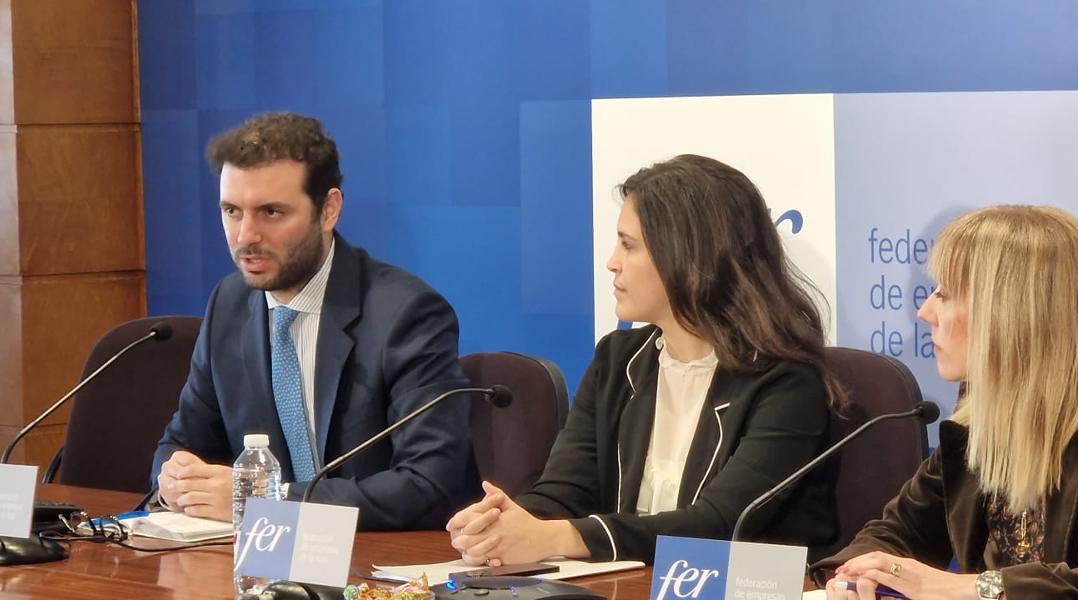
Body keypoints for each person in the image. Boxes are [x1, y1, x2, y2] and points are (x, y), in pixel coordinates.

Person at [447, 155, 843, 566]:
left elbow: (718, 526)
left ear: (691, 259)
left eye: (629, 245)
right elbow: (565, 492)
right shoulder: (618, 359)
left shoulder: (785, 381)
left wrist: (557, 537)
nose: (612, 261)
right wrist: (503, 526)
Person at [152, 113, 480, 530]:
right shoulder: (229, 304)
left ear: (328, 210)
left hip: (385, 568)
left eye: (271, 212)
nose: (245, 236)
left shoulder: (405, 314)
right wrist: (176, 478)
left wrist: (261, 501)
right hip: (262, 569)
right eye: (232, 211)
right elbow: (182, 443)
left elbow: (428, 484)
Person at [817, 205, 1078, 600]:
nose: (924, 312)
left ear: (1010, 310)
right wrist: (856, 573)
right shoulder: (985, 402)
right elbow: (898, 533)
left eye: (945, 295)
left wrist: (977, 588)